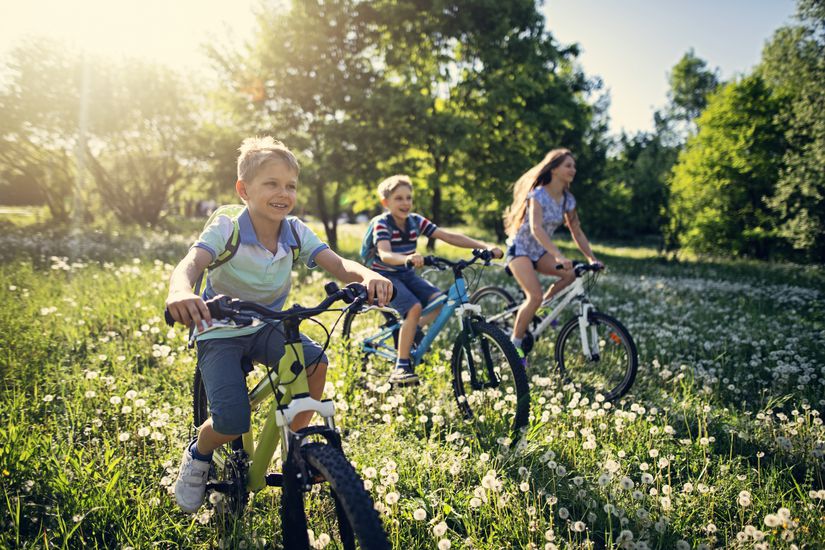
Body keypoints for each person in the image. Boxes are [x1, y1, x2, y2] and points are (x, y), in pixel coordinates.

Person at [165, 136, 392, 514]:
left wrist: (367, 275)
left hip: (266, 324)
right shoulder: (227, 228)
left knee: (315, 362)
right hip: (219, 328)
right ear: (244, 189)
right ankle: (199, 452)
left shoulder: (295, 231)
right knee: (233, 420)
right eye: (271, 184)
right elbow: (192, 263)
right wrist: (179, 291)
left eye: (290, 186)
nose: (283, 193)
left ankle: (298, 446)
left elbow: (338, 265)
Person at [368, 174, 502, 385]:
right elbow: (385, 254)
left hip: (407, 273)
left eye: (408, 198)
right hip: (384, 275)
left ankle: (411, 330)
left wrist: (483, 246)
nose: (405, 203)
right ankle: (402, 365)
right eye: (399, 198)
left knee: (440, 302)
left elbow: (448, 236)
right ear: (386, 202)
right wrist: (408, 258)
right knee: (413, 307)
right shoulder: (382, 223)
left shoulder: (415, 221)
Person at [502, 148, 602, 365]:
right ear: (554, 168)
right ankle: (514, 349)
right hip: (520, 250)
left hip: (539, 252)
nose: (573, 170)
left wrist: (591, 258)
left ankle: (542, 310)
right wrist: (557, 255)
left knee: (571, 275)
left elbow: (577, 231)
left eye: (574, 166)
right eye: (568, 165)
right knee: (534, 296)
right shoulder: (537, 195)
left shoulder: (568, 200)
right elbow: (536, 228)